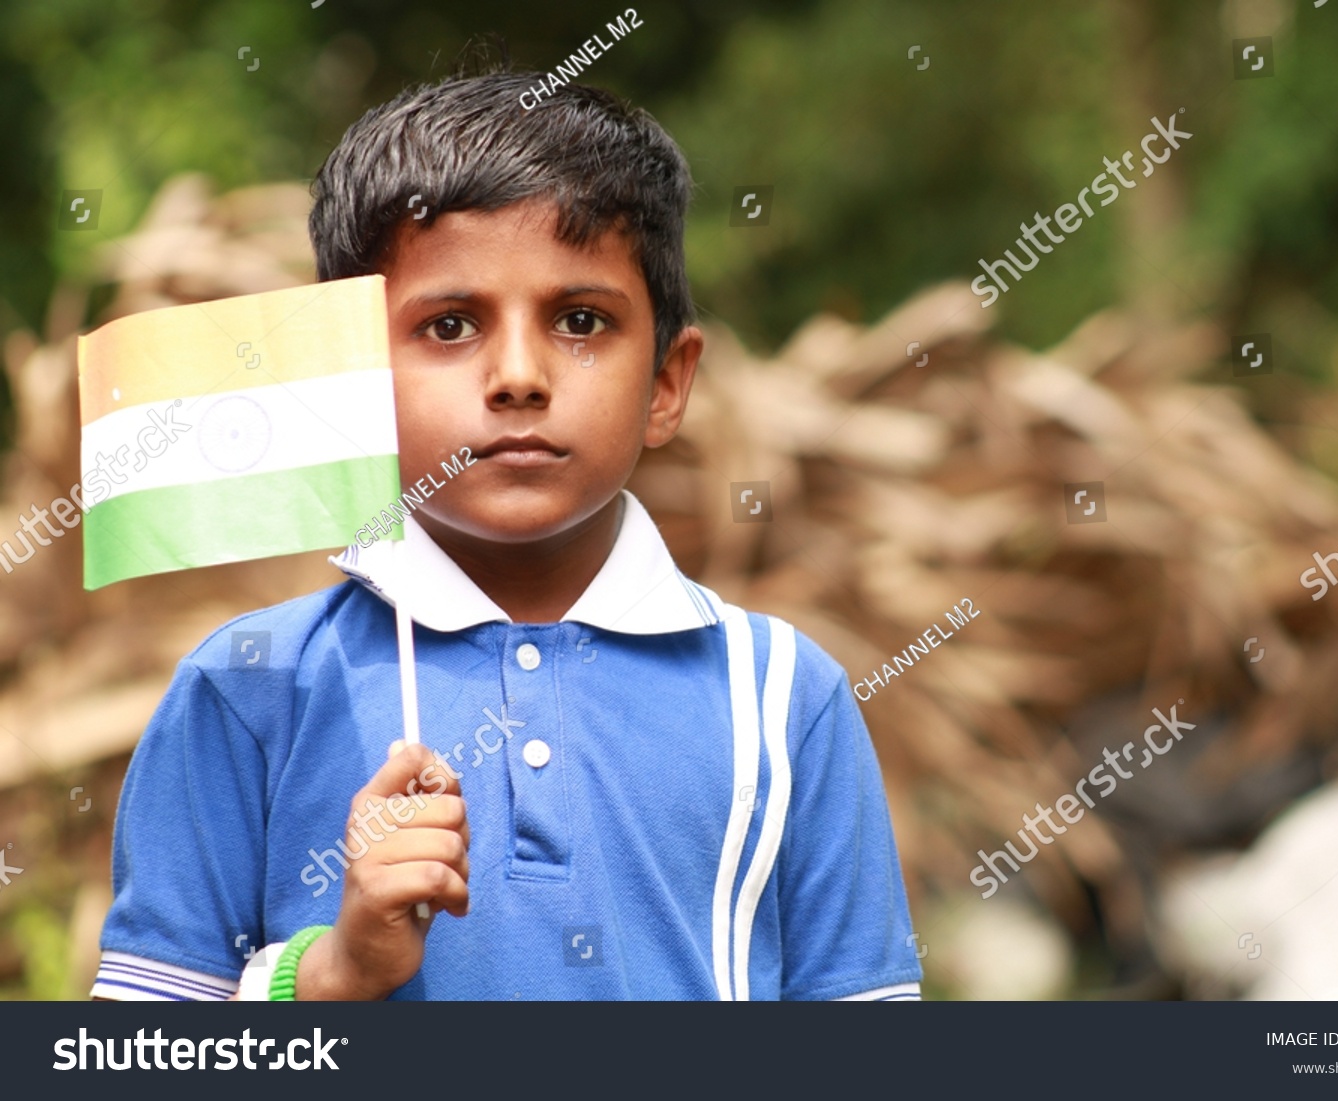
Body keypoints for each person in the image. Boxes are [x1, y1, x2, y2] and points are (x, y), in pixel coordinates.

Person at [90, 68, 922, 1001]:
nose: (518, 376)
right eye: (449, 326)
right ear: (354, 378)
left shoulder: (782, 695)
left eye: (580, 320)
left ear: (666, 382)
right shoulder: (245, 684)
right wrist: (331, 972)